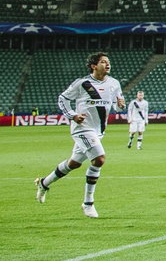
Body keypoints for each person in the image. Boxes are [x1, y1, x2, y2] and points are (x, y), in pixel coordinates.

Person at [34, 52, 124, 218]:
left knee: (73, 163)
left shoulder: (114, 83)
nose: (108, 64)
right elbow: (62, 98)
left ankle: (44, 183)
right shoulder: (82, 83)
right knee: (99, 159)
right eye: (103, 62)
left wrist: (120, 105)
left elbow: (117, 106)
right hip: (82, 128)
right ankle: (88, 203)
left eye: (108, 61)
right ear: (93, 66)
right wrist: (72, 115)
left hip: (98, 131)